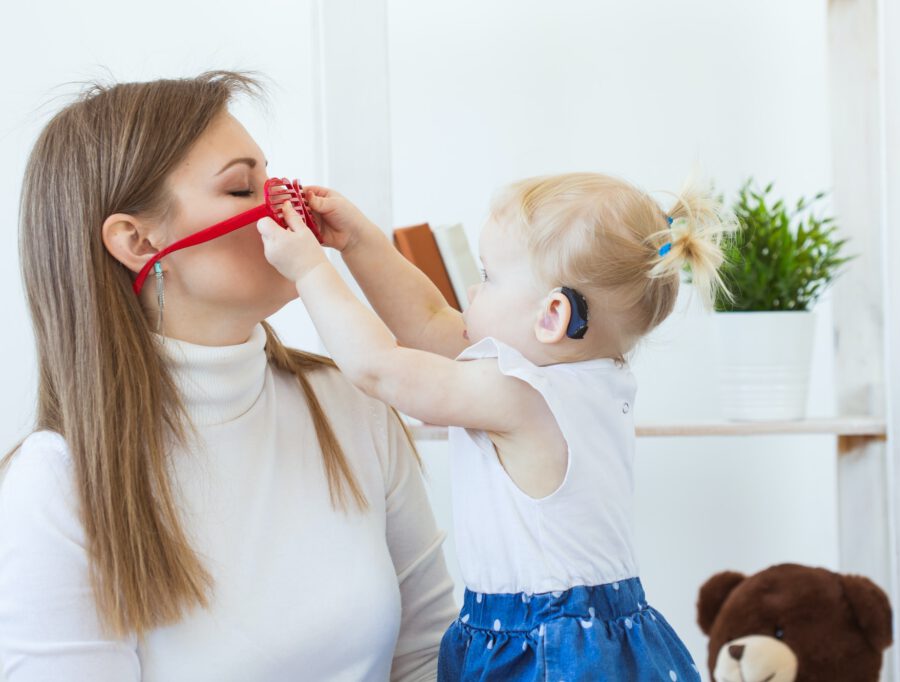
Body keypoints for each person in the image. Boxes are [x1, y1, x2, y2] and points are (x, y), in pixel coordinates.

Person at [0, 71, 456, 682]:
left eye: (272, 177)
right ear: (136, 240)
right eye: (244, 188)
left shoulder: (351, 404)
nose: (288, 208)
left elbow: (428, 656)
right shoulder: (55, 487)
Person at [258, 171, 736, 680]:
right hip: (583, 632)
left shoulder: (523, 397)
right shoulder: (585, 380)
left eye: (487, 277)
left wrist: (310, 268)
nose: (468, 290)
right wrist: (358, 242)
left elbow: (378, 367)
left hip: (545, 648)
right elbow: (425, 321)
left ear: (553, 316)